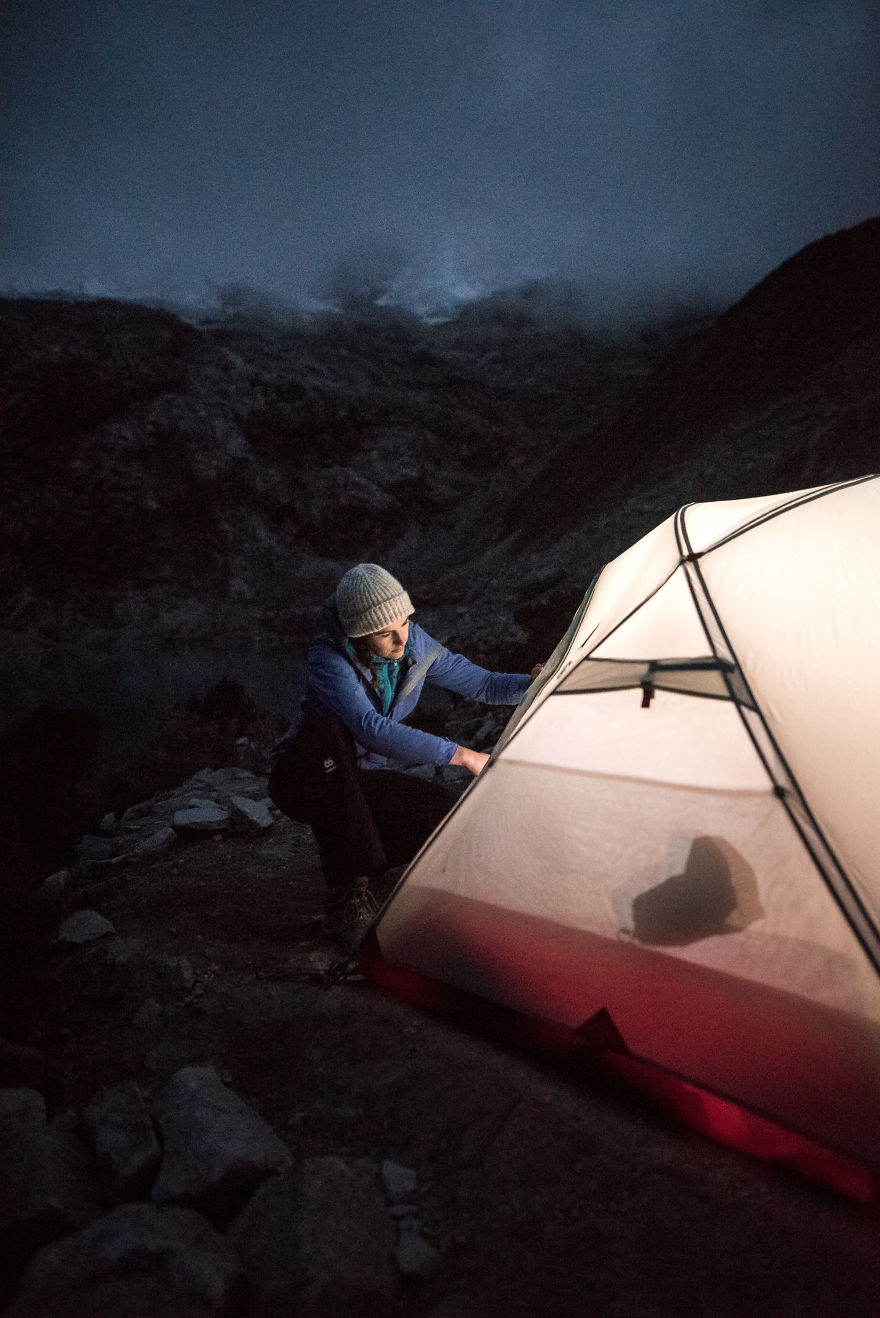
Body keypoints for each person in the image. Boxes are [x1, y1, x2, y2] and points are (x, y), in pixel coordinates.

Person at [268, 563, 540, 950]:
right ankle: (348, 897)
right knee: (327, 733)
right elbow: (369, 729)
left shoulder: (414, 645)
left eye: (406, 623)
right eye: (385, 633)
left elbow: (483, 683)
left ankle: (364, 858)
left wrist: (534, 684)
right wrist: (460, 755)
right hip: (305, 780)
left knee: (444, 817)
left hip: (363, 782)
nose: (401, 641)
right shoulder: (328, 659)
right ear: (359, 634)